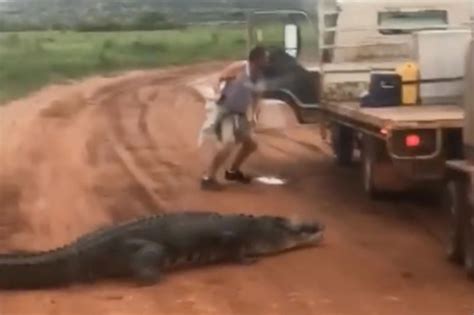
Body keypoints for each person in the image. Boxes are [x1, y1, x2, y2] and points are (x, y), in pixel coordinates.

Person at [198, 46, 269, 190]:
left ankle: (232, 172)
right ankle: (208, 177)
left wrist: (254, 116)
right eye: (265, 58)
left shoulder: (259, 77)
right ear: (257, 59)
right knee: (228, 144)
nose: (268, 61)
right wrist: (218, 92)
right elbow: (218, 79)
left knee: (251, 144)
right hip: (225, 111)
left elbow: (257, 98)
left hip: (240, 114)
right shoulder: (239, 68)